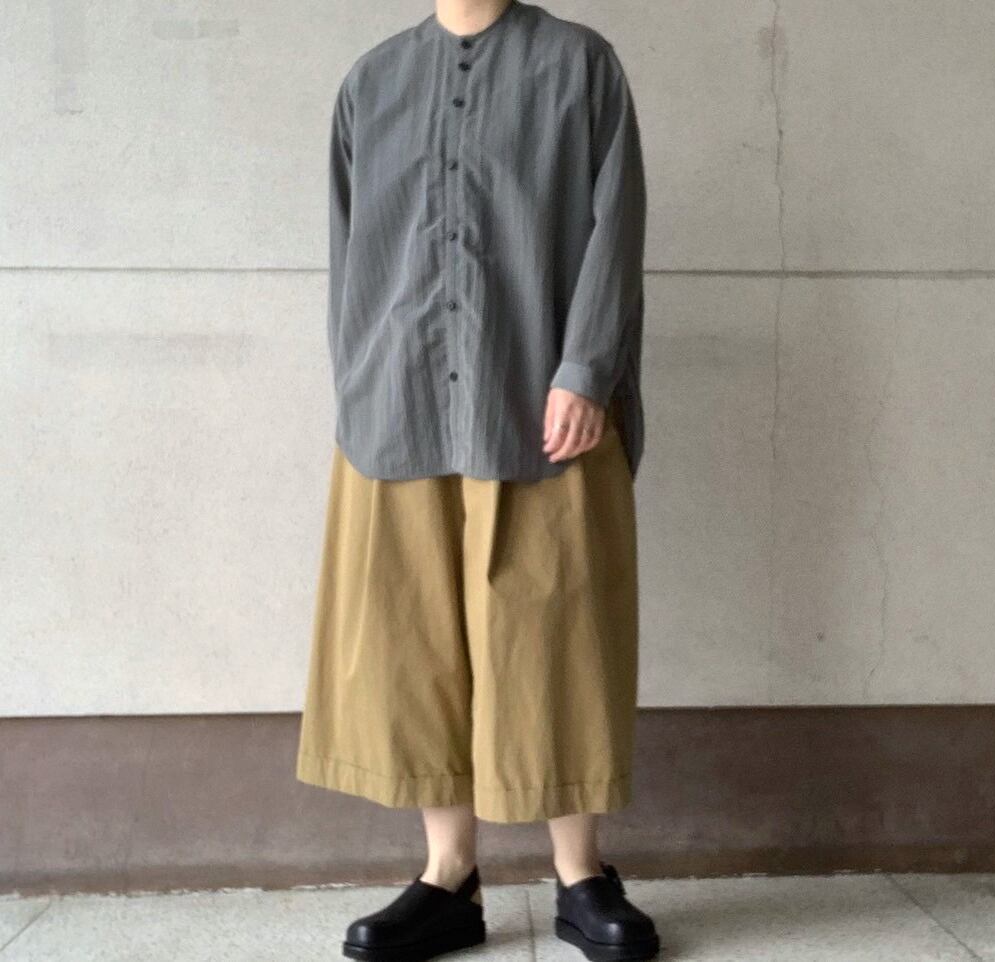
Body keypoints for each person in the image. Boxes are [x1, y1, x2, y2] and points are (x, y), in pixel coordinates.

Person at [293, 1, 657, 959]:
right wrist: (361, 383)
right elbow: (347, 252)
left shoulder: (579, 66)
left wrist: (587, 369)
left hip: (540, 402)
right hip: (397, 403)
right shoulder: (371, 82)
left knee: (556, 636)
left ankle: (581, 877)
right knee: (413, 642)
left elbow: (615, 226)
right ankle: (447, 875)